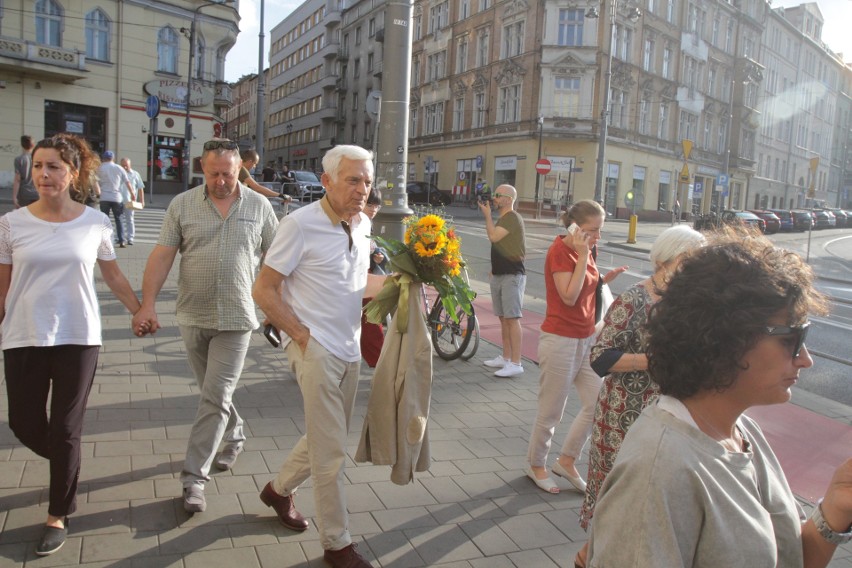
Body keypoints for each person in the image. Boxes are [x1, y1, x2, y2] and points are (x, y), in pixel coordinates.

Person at [587, 231, 852, 568]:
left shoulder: (742, 432)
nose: (806, 359)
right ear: (726, 339)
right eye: (792, 338)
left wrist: (837, 507)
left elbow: (787, 559)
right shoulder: (660, 473)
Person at [0, 133, 146, 556]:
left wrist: (139, 309)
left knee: (65, 430)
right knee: (23, 424)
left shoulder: (95, 222)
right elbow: (3, 287)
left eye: (54, 167)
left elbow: (113, 275)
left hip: (79, 336)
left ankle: (59, 511)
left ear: (74, 172)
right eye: (39, 166)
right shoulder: (12, 224)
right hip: (24, 334)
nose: (43, 175)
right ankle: (69, 465)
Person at [252, 144, 387, 568]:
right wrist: (301, 337)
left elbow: (354, 284)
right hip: (317, 350)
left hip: (349, 348)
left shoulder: (361, 224)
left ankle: (277, 490)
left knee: (323, 437)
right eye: (353, 180)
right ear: (326, 181)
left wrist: (406, 282)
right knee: (331, 454)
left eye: (367, 181)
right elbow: (264, 289)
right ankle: (337, 544)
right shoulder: (299, 225)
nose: (362, 189)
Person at [131, 139, 278, 513]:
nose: (220, 181)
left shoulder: (259, 206)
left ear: (240, 168)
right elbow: (162, 256)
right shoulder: (182, 205)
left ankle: (194, 479)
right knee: (213, 394)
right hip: (193, 315)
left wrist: (279, 309)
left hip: (237, 317)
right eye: (213, 173)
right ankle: (236, 433)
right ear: (202, 166)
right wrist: (147, 304)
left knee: (214, 396)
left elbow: (277, 259)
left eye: (227, 173)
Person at [574, 225, 705, 568]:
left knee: (648, 500)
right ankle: (590, 556)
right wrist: (653, 361)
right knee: (614, 495)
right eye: (690, 260)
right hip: (623, 416)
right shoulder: (635, 297)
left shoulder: (687, 303)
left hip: (668, 415)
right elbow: (600, 357)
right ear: (669, 259)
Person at [526, 200, 626, 495]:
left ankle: (567, 460)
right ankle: (535, 464)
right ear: (573, 226)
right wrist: (583, 255)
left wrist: (604, 280)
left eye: (599, 231)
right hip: (560, 339)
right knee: (552, 410)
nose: (596, 237)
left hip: (587, 337)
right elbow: (568, 297)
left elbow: (585, 288)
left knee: (598, 402)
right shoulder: (561, 251)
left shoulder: (586, 249)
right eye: (591, 231)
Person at [479, 184, 527, 378]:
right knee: (503, 318)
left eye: (498, 195)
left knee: (512, 319)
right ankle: (506, 358)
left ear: (508, 199)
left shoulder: (512, 218)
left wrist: (487, 215)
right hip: (500, 274)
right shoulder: (505, 218)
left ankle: (516, 362)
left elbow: (493, 237)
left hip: (512, 275)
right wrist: (494, 269)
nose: (494, 198)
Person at [360, 187, 386, 368]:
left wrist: (376, 256)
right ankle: (379, 361)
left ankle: (378, 360)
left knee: (371, 318)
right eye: (370, 204)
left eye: (377, 206)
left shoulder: (366, 222)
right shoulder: (355, 221)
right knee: (371, 318)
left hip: (365, 276)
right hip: (355, 278)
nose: (373, 209)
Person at [94, 150, 134, 248]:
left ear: (103, 158)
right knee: (119, 219)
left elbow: (95, 182)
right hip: (117, 198)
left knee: (104, 219)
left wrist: (97, 193)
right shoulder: (119, 168)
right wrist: (132, 193)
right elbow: (127, 182)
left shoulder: (99, 168)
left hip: (104, 197)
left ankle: (104, 240)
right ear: (113, 158)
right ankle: (121, 241)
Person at [120, 157, 145, 245]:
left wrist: (142, 201)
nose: (124, 167)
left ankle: (130, 238)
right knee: (119, 220)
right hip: (119, 200)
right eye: (122, 165)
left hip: (130, 201)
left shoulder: (135, 174)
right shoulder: (119, 173)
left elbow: (140, 188)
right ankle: (120, 237)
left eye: (126, 165)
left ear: (130, 165)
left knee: (129, 219)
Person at [13, 135, 39, 208]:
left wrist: (14, 197)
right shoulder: (38, 158)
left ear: (22, 145)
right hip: (37, 193)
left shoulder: (19, 159)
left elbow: (17, 180)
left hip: (24, 194)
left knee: (24, 216)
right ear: (33, 145)